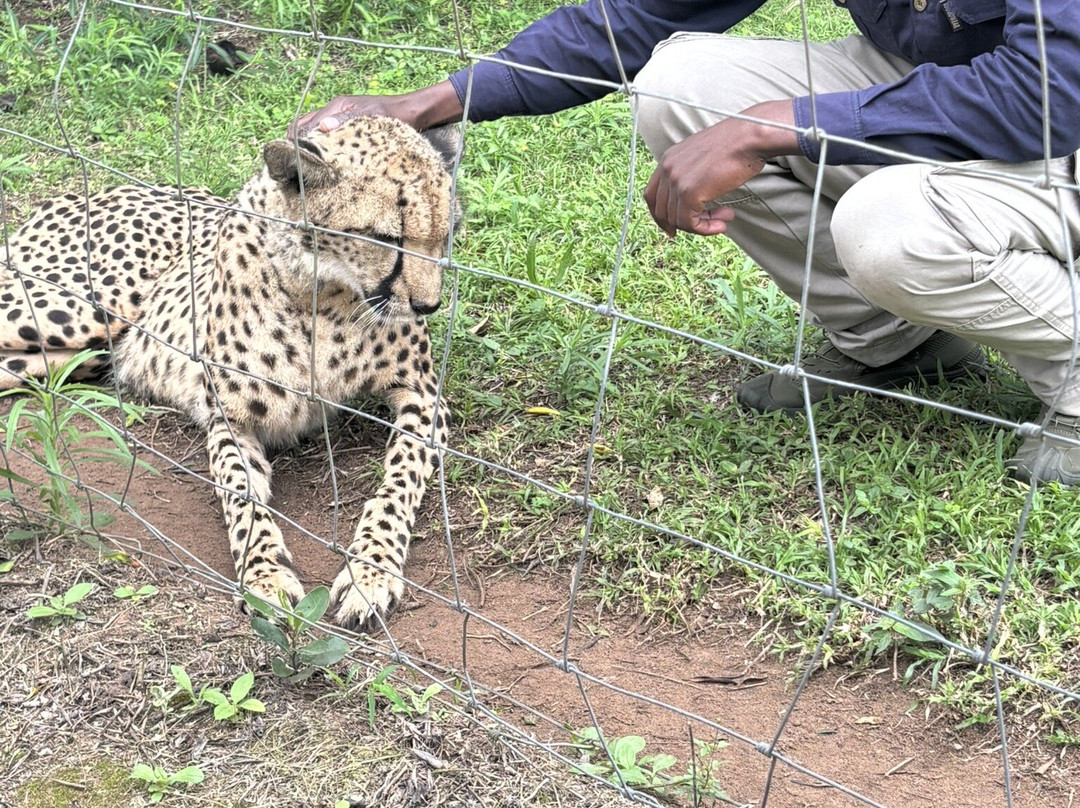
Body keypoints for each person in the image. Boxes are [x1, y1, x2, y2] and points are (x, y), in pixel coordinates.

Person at [295, 1, 1080, 486]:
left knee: (888, 228)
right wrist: (444, 97)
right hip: (945, 81)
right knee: (684, 84)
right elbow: (640, 17)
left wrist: (783, 125)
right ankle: (895, 345)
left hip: (1059, 125)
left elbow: (1047, 92)